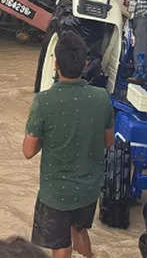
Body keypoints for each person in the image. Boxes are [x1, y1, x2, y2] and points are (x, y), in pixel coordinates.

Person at [23, 32, 114, 258]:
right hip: (88, 190)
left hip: (56, 193)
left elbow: (28, 151)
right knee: (79, 230)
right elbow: (109, 142)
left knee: (61, 244)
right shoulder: (101, 97)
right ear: (85, 64)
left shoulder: (43, 102)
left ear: (55, 64)